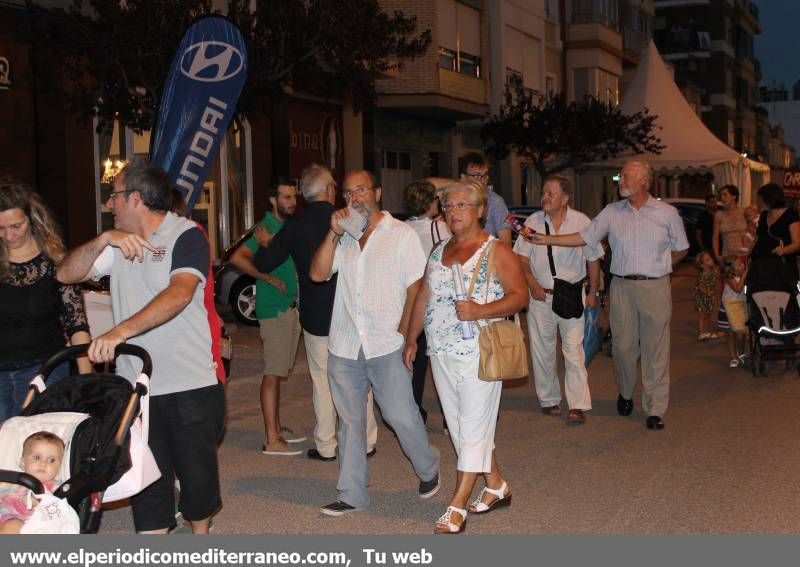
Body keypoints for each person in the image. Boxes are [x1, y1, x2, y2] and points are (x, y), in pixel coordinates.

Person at [56, 158, 225, 534]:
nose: (108, 204)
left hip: (188, 382)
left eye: (113, 196)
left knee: (197, 484)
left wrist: (119, 333)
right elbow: (65, 273)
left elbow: (179, 294)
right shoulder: (118, 245)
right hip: (137, 389)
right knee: (147, 484)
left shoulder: (187, 235)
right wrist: (103, 239)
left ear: (135, 198)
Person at [309, 170, 440, 517]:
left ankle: (428, 468)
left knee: (400, 415)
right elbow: (317, 274)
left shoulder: (401, 234)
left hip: (386, 343)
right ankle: (352, 493)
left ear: (377, 192)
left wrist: (405, 336)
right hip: (346, 345)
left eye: (361, 190)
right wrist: (332, 235)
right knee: (350, 422)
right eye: (349, 192)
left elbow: (416, 289)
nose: (355, 198)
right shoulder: (345, 236)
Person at [403, 180, 526, 534]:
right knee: (459, 426)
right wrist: (411, 339)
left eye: (461, 205)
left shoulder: (496, 251)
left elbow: (520, 297)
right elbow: (423, 297)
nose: (453, 212)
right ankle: (497, 484)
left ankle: (457, 504)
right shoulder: (439, 249)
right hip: (440, 351)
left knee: (472, 426)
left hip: (480, 352)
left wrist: (480, 309)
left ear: (480, 210)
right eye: (449, 206)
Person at [531, 160, 689, 430]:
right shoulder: (611, 212)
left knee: (656, 349)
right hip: (622, 287)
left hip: (655, 287)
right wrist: (547, 240)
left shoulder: (667, 213)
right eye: (621, 177)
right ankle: (626, 392)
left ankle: (655, 408)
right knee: (624, 348)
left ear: (644, 181)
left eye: (626, 177)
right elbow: (584, 237)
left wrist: (663, 267)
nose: (621, 181)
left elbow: (682, 247)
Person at [254, 164, 378, 462]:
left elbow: (265, 262)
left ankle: (326, 445)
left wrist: (265, 243)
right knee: (359, 378)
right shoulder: (349, 218)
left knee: (322, 379)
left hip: (316, 315)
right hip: (351, 311)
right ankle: (367, 440)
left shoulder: (294, 225)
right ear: (330, 189)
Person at [513, 176, 603, 426]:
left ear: (565, 198)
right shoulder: (532, 222)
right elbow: (521, 257)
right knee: (542, 350)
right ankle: (549, 398)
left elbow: (593, 259)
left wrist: (593, 293)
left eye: (551, 193)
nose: (545, 197)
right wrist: (531, 282)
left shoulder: (581, 222)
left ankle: (577, 405)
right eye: (543, 193)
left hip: (572, 295)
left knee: (574, 351)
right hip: (540, 296)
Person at [0, 180, 92, 422]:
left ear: (31, 219)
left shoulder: (56, 263)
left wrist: (86, 381)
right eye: (0, 228)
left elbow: (77, 324)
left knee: (38, 447)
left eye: (16, 226)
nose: (8, 235)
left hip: (45, 369)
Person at [230, 179, 306, 456]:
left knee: (280, 370)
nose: (292, 201)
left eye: (293, 196)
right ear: (273, 200)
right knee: (273, 373)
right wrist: (266, 277)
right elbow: (238, 257)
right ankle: (271, 439)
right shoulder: (265, 227)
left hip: (289, 307)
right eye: (285, 196)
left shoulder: (285, 227)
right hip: (273, 308)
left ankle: (276, 426)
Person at [403, 179, 452, 425]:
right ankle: (449, 417)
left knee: (416, 361)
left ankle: (414, 413)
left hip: (409, 302)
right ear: (428, 203)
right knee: (443, 363)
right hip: (436, 302)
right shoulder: (438, 229)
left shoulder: (401, 228)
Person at [0, 431, 64, 534]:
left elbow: (61, 511)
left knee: (13, 525)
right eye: (37, 457)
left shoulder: (55, 487)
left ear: (59, 467)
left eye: (51, 460)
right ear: (22, 462)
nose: (43, 463)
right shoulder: (10, 481)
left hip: (27, 526)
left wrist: (41, 502)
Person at [748, 183, 800, 293]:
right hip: (760, 266)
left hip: (781, 267)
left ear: (771, 199)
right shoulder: (763, 215)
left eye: (761, 200)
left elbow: (797, 243)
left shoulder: (791, 214)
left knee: (781, 299)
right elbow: (758, 238)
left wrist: (783, 250)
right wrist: (749, 254)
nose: (760, 203)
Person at [459, 153, 512, 245]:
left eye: (485, 175)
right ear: (463, 177)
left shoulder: (495, 202)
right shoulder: (456, 199)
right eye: (477, 176)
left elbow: (506, 244)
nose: (483, 180)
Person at [721, 257, 747, 368]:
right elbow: (738, 289)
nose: (742, 266)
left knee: (742, 331)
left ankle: (740, 353)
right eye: (739, 265)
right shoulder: (729, 276)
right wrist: (745, 274)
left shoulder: (744, 276)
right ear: (731, 268)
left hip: (741, 305)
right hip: (729, 306)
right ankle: (733, 357)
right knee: (730, 333)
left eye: (742, 264)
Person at [693, 251, 719, 341]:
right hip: (701, 298)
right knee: (702, 315)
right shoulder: (703, 275)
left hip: (709, 297)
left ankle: (707, 332)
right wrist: (707, 292)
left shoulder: (713, 272)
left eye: (710, 258)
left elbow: (715, 282)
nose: (711, 260)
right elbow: (700, 286)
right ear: (702, 265)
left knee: (708, 314)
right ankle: (701, 333)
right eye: (707, 260)